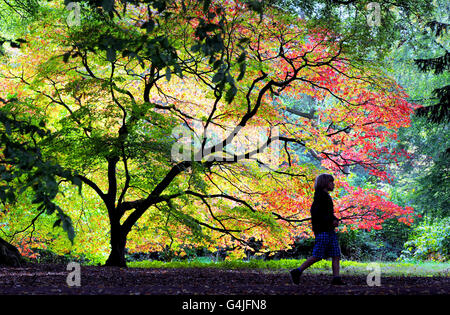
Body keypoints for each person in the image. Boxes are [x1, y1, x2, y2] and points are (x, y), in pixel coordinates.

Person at [290, 173, 345, 285]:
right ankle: (297, 271)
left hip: (329, 230)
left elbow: (328, 213)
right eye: (331, 182)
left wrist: (334, 219)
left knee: (336, 254)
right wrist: (331, 221)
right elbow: (316, 214)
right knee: (318, 255)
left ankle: (336, 279)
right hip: (323, 231)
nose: (333, 184)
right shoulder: (320, 196)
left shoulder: (326, 197)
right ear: (325, 183)